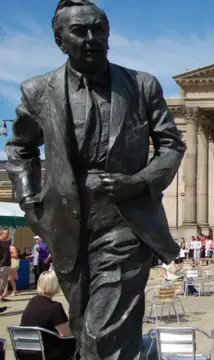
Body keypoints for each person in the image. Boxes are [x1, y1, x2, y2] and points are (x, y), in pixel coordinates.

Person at [5, 1, 185, 357]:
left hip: (125, 223)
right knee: (84, 326)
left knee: (100, 334)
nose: (91, 38)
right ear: (60, 41)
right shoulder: (38, 91)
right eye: (79, 31)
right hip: (66, 227)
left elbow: (171, 146)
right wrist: (30, 203)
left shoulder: (141, 85)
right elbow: (20, 150)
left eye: (98, 29)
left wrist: (138, 181)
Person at [19, 271, 75, 360]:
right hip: (46, 352)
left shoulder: (32, 301)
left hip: (26, 351)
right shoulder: (55, 307)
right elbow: (66, 335)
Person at [0, 229, 12, 304]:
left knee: (3, 283)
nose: (8, 235)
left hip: (7, 264)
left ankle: (1, 297)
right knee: (0, 283)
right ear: (1, 233)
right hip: (1, 265)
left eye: (8, 234)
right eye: (7, 234)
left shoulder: (6, 242)